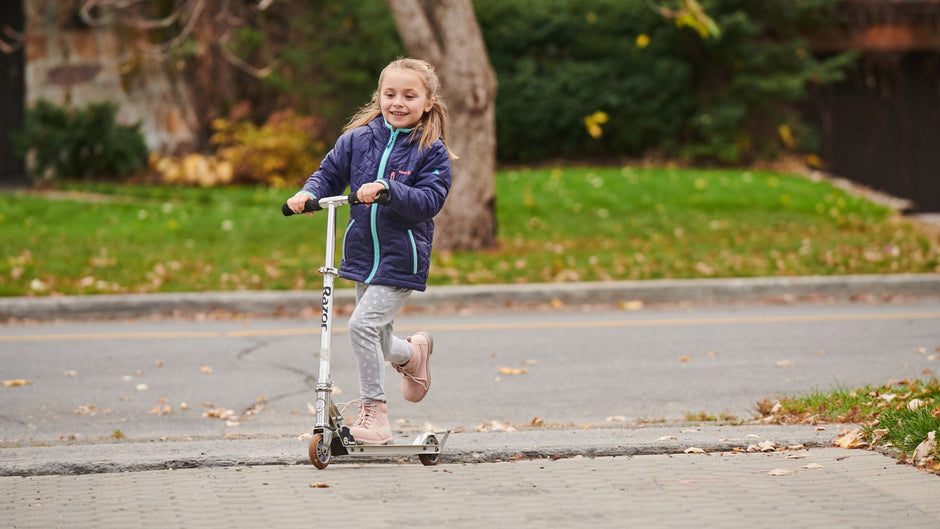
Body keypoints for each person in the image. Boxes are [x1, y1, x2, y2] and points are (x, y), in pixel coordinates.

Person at [285, 58, 454, 444]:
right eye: (389, 94)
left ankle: (375, 414)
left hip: (401, 258)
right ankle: (412, 356)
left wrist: (389, 190)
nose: (397, 102)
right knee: (376, 337)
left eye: (409, 95)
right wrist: (308, 193)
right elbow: (329, 173)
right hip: (362, 255)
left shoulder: (431, 151)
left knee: (361, 326)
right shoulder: (358, 139)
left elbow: (430, 200)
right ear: (378, 96)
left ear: (427, 102)